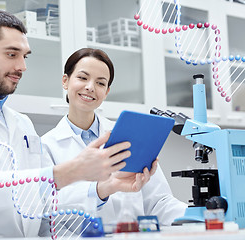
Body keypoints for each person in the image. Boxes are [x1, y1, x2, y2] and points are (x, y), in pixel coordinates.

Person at [0, 11, 156, 238]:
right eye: (12, 54)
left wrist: (104, 188)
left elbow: (46, 201)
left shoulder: (22, 124)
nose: (22, 66)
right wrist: (73, 170)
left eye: (25, 56)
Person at [41, 48, 188, 230]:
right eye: (83, 78)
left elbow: (158, 202)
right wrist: (100, 190)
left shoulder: (130, 135)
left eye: (100, 83)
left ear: (107, 91)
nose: (90, 87)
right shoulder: (46, 146)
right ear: (65, 81)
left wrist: (197, 217)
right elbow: (48, 213)